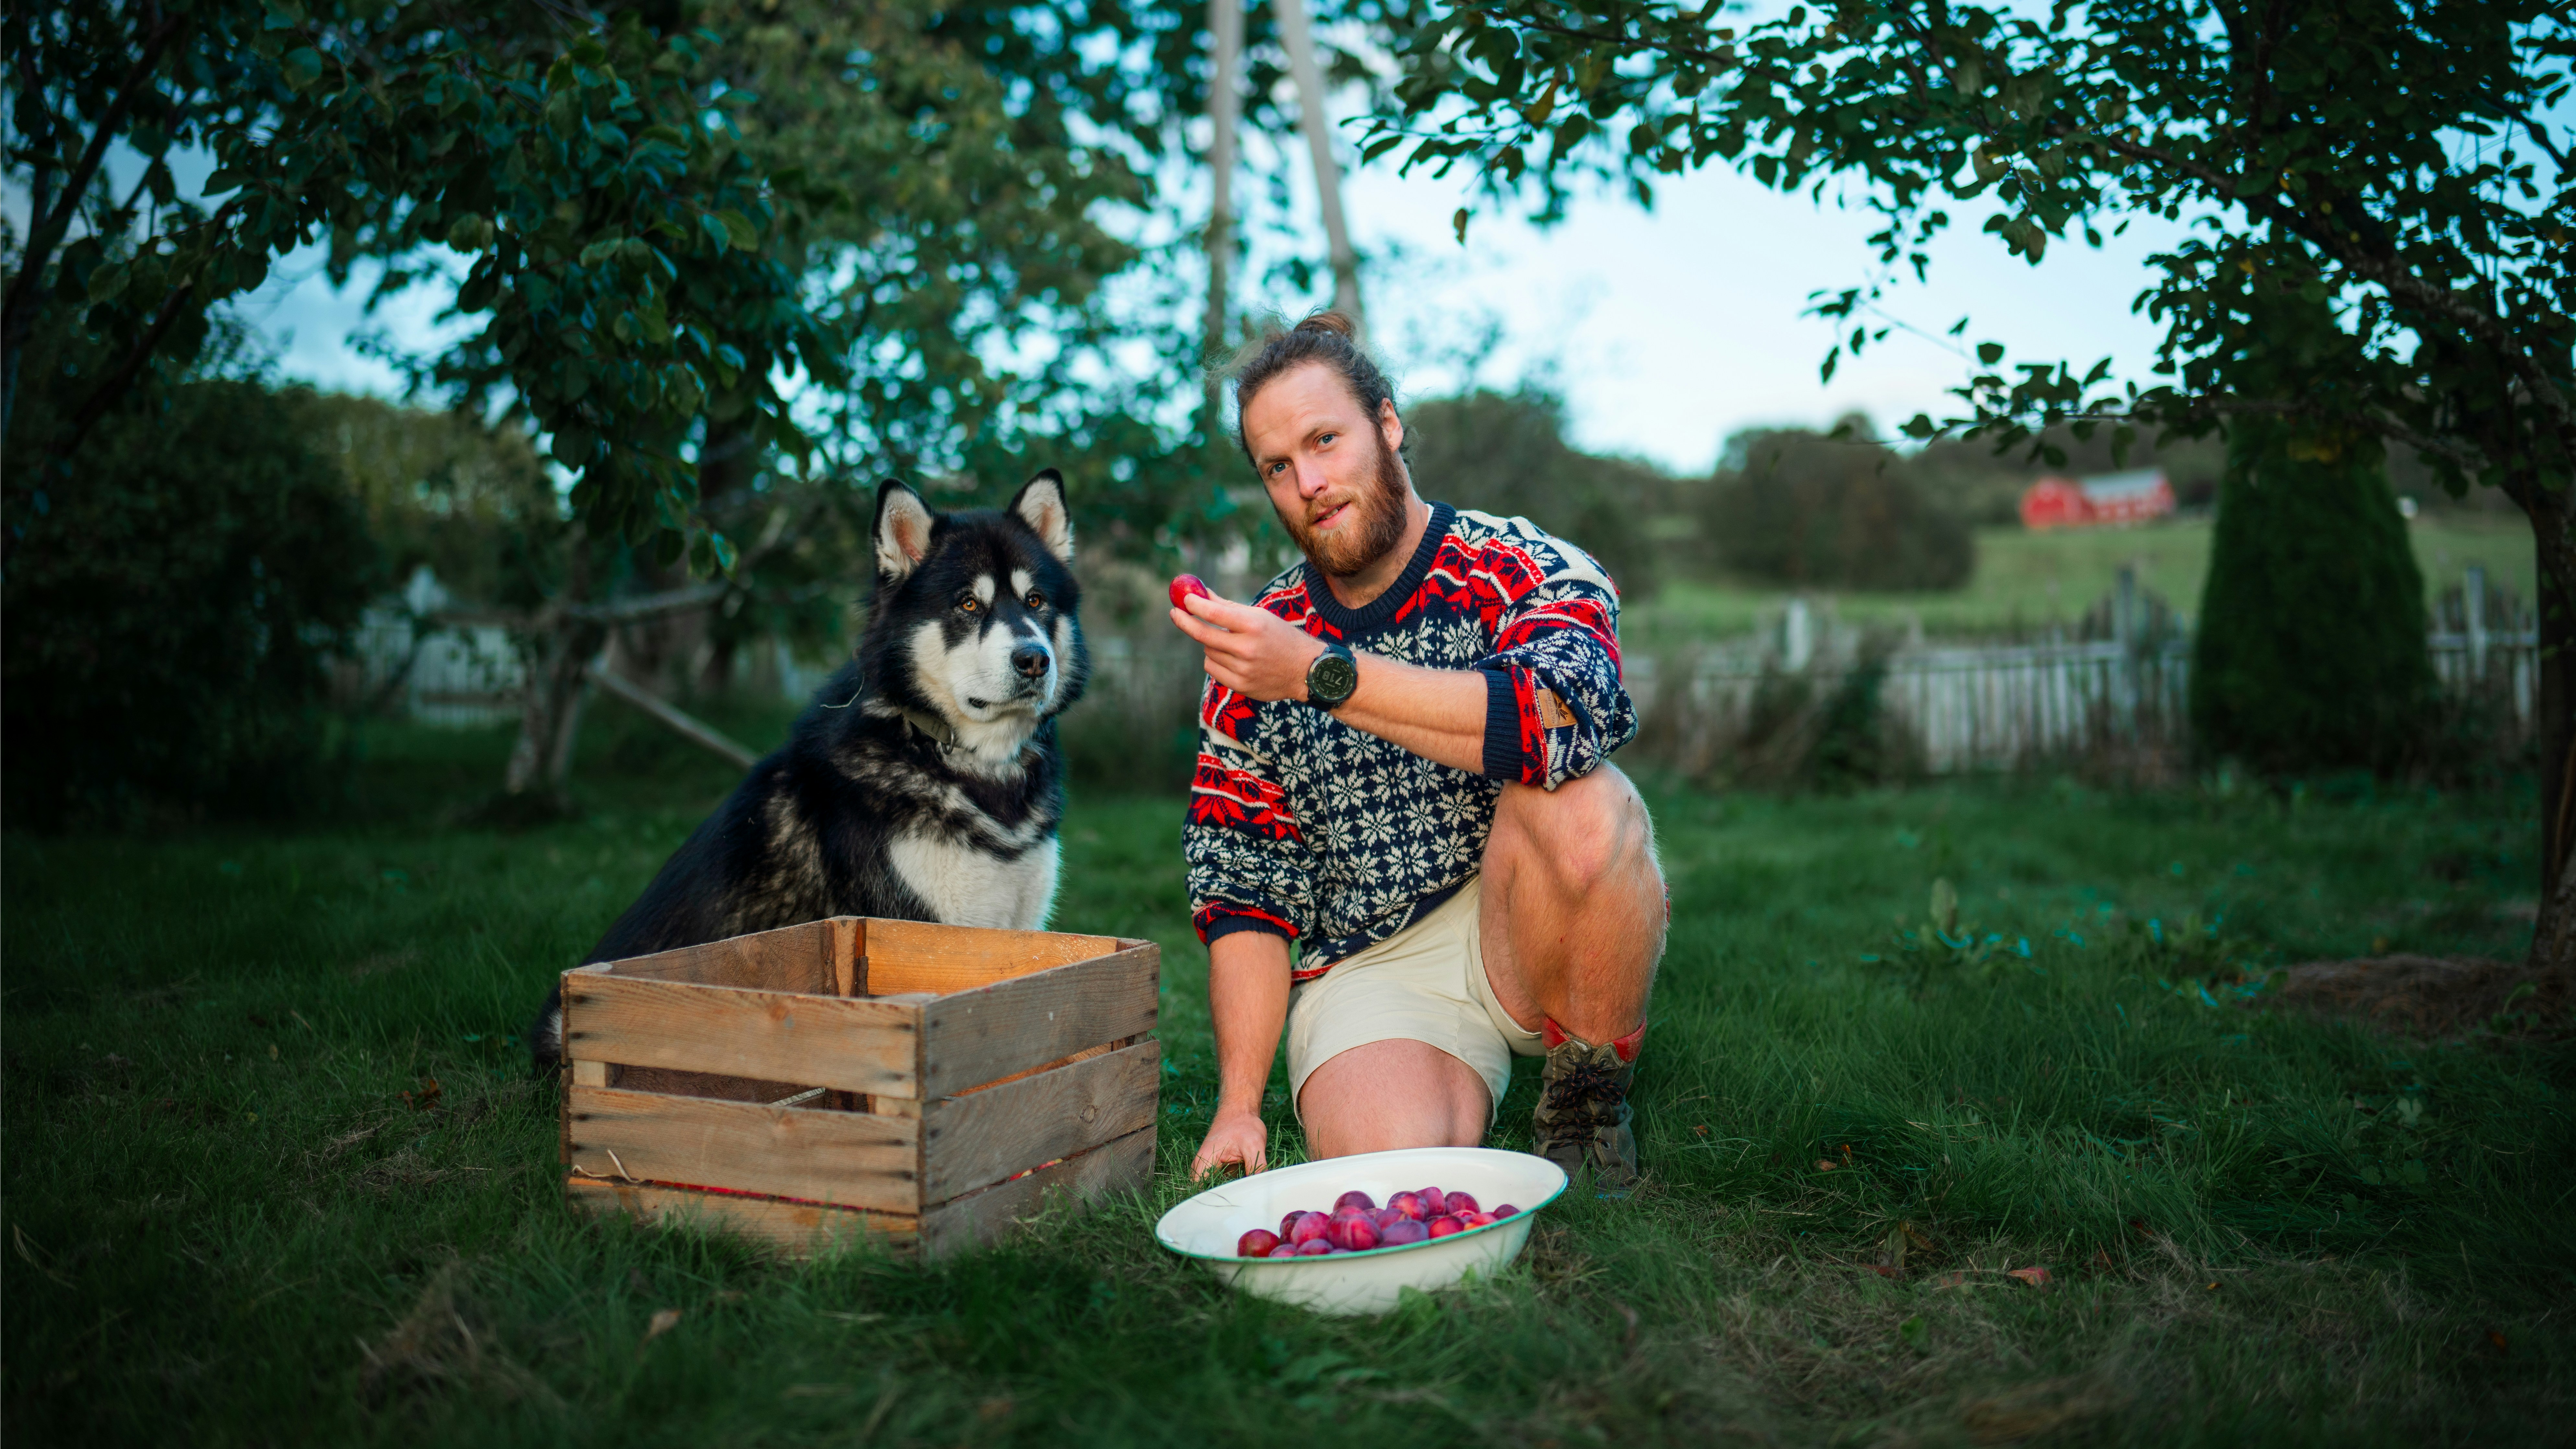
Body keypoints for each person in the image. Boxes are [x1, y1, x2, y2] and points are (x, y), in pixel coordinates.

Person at [1172, 311, 1667, 1190]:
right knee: (1393, 1180)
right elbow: (1244, 890)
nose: (1311, 484)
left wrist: (1320, 676)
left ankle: (1588, 1101)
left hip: (1528, 914)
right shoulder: (1259, 648)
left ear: (1388, 424)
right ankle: (1431, 1099)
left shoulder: (1520, 564)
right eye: (1278, 468)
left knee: (1588, 804)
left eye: (1327, 440)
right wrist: (1238, 1105)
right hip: (1375, 965)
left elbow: (1554, 717)